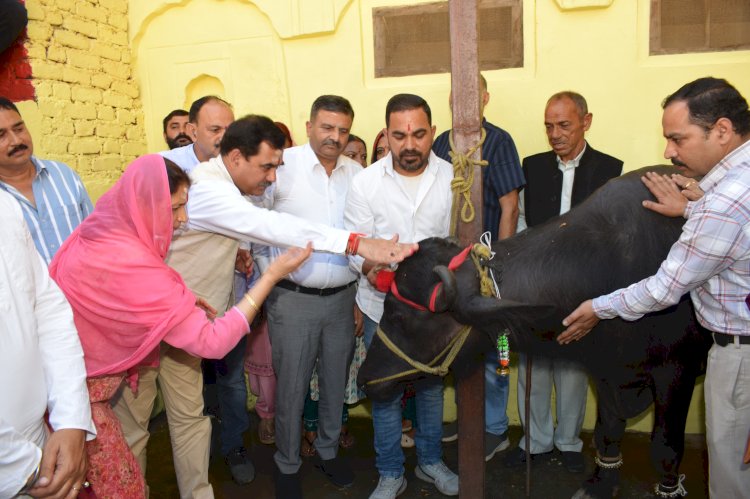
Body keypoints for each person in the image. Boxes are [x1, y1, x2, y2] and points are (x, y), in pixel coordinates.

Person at [115, 114, 417, 498]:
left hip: (189, 322)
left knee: (190, 420)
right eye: (267, 166)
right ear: (237, 157)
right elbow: (272, 227)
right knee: (135, 429)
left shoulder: (231, 187)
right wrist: (357, 244)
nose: (273, 177)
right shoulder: (206, 190)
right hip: (147, 326)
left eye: (277, 167)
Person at [49, 154, 310, 497]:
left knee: (185, 421)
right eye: (174, 209)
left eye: (184, 207)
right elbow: (212, 342)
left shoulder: (102, 232)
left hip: (71, 389)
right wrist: (272, 276)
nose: (184, 220)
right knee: (118, 478)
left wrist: (182, 300)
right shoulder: (130, 262)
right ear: (143, 204)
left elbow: (143, 288)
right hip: (80, 405)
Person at [560, 77, 750, 497]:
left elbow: (665, 289)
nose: (668, 152)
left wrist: (597, 307)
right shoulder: (727, 190)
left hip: (740, 355)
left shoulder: (724, 203)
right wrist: (692, 209)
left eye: (677, 138)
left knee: (733, 476)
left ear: (721, 130)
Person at [345, 94, 458, 499]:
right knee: (385, 390)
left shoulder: (452, 178)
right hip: (382, 309)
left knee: (430, 388)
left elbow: (459, 245)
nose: (409, 144)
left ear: (432, 132)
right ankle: (390, 473)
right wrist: (375, 272)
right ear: (387, 135)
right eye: (399, 135)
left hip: (436, 312)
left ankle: (430, 462)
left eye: (419, 134)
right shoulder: (365, 183)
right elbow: (357, 249)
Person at [504, 91, 623, 473]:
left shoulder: (610, 169)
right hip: (537, 287)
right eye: (549, 126)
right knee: (533, 367)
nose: (555, 134)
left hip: (583, 290)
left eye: (564, 125)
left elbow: (615, 232)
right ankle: (535, 441)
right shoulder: (532, 166)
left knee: (572, 367)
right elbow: (521, 222)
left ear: (586, 122)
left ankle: (568, 441)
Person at [264, 95, 362, 498]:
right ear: (308, 126)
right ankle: (287, 465)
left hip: (342, 297)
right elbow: (257, 224)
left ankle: (327, 451)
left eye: (342, 130)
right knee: (291, 385)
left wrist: (358, 298)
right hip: (292, 299)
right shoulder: (281, 168)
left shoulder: (357, 174)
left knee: (336, 383)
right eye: (327, 128)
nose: (334, 137)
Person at [432, 73, 525, 460]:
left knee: (497, 350)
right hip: (451, 269)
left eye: (473, 96)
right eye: (458, 96)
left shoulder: (499, 141)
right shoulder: (439, 144)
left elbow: (510, 207)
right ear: (452, 100)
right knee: (458, 348)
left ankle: (496, 428)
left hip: (489, 269)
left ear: (485, 98)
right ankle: (470, 419)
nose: (465, 103)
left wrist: (498, 267)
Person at [0, 189, 95, 499]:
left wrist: (71, 420)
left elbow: (47, 308)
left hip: (44, 446)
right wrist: (27, 468)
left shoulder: (6, 207)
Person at [0, 97, 93, 263]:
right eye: (1, 136)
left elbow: (95, 235)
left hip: (85, 286)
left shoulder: (65, 176)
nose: (16, 141)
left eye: (19, 129)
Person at [161, 95, 234, 173]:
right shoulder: (165, 164)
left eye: (230, 129)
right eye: (215, 130)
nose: (224, 136)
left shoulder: (242, 162)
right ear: (193, 132)